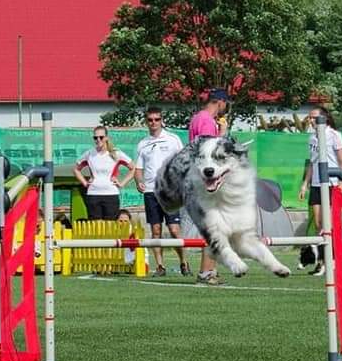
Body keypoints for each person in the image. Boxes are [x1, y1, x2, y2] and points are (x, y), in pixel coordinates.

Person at [134, 106, 189, 277]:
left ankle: (183, 261)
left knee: (174, 230)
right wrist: (139, 181)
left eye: (157, 119)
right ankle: (160, 266)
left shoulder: (173, 139)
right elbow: (138, 168)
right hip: (151, 192)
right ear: (146, 122)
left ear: (161, 120)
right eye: (150, 120)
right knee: (156, 230)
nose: (153, 123)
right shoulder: (143, 144)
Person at [297, 106, 342, 276]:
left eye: (313, 117)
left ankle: (337, 261)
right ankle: (325, 261)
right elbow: (312, 163)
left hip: (332, 183)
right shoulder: (312, 138)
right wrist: (305, 183)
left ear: (323, 119)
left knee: (332, 225)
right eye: (309, 118)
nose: (310, 120)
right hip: (317, 185)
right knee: (319, 224)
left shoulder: (334, 135)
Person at [187, 88, 230, 285]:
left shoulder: (198, 118)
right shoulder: (206, 121)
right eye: (225, 105)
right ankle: (206, 272)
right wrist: (222, 133)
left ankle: (210, 270)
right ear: (220, 102)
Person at [74, 126, 133, 221]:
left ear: (106, 138)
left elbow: (133, 168)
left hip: (111, 194)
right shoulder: (89, 154)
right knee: (96, 227)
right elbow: (76, 169)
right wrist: (85, 183)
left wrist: (122, 183)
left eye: (101, 137)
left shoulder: (116, 153)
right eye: (95, 138)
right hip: (93, 194)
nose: (98, 140)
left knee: (110, 227)